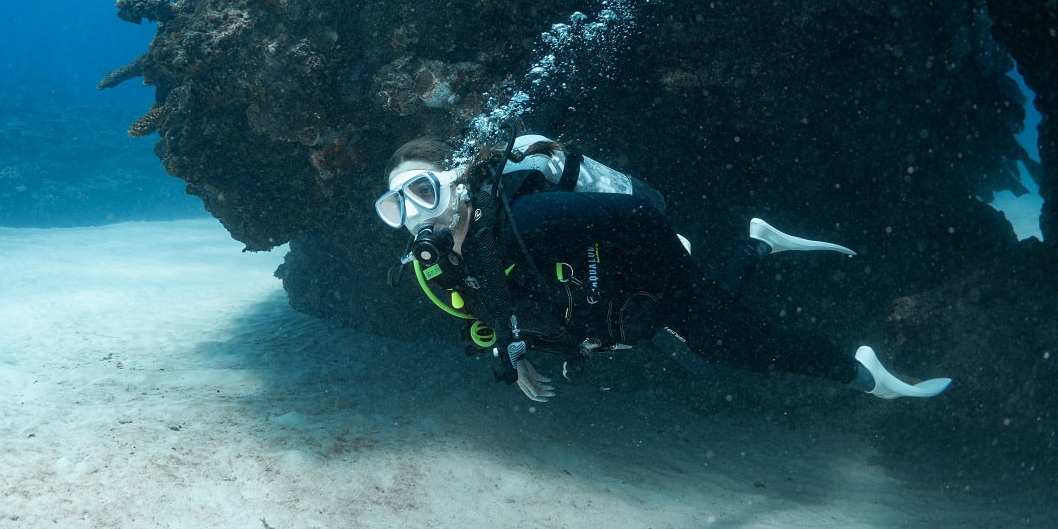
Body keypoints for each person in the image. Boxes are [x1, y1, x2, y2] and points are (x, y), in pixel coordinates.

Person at [375, 132, 951, 403]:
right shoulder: (442, 263)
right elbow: (493, 305)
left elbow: (631, 212)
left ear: (453, 183)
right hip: (614, 297)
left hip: (648, 257)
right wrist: (512, 346)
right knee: (694, 327)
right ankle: (759, 245)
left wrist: (612, 294)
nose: (412, 214)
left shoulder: (534, 216)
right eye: (396, 206)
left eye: (422, 192)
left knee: (736, 344)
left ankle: (868, 376)